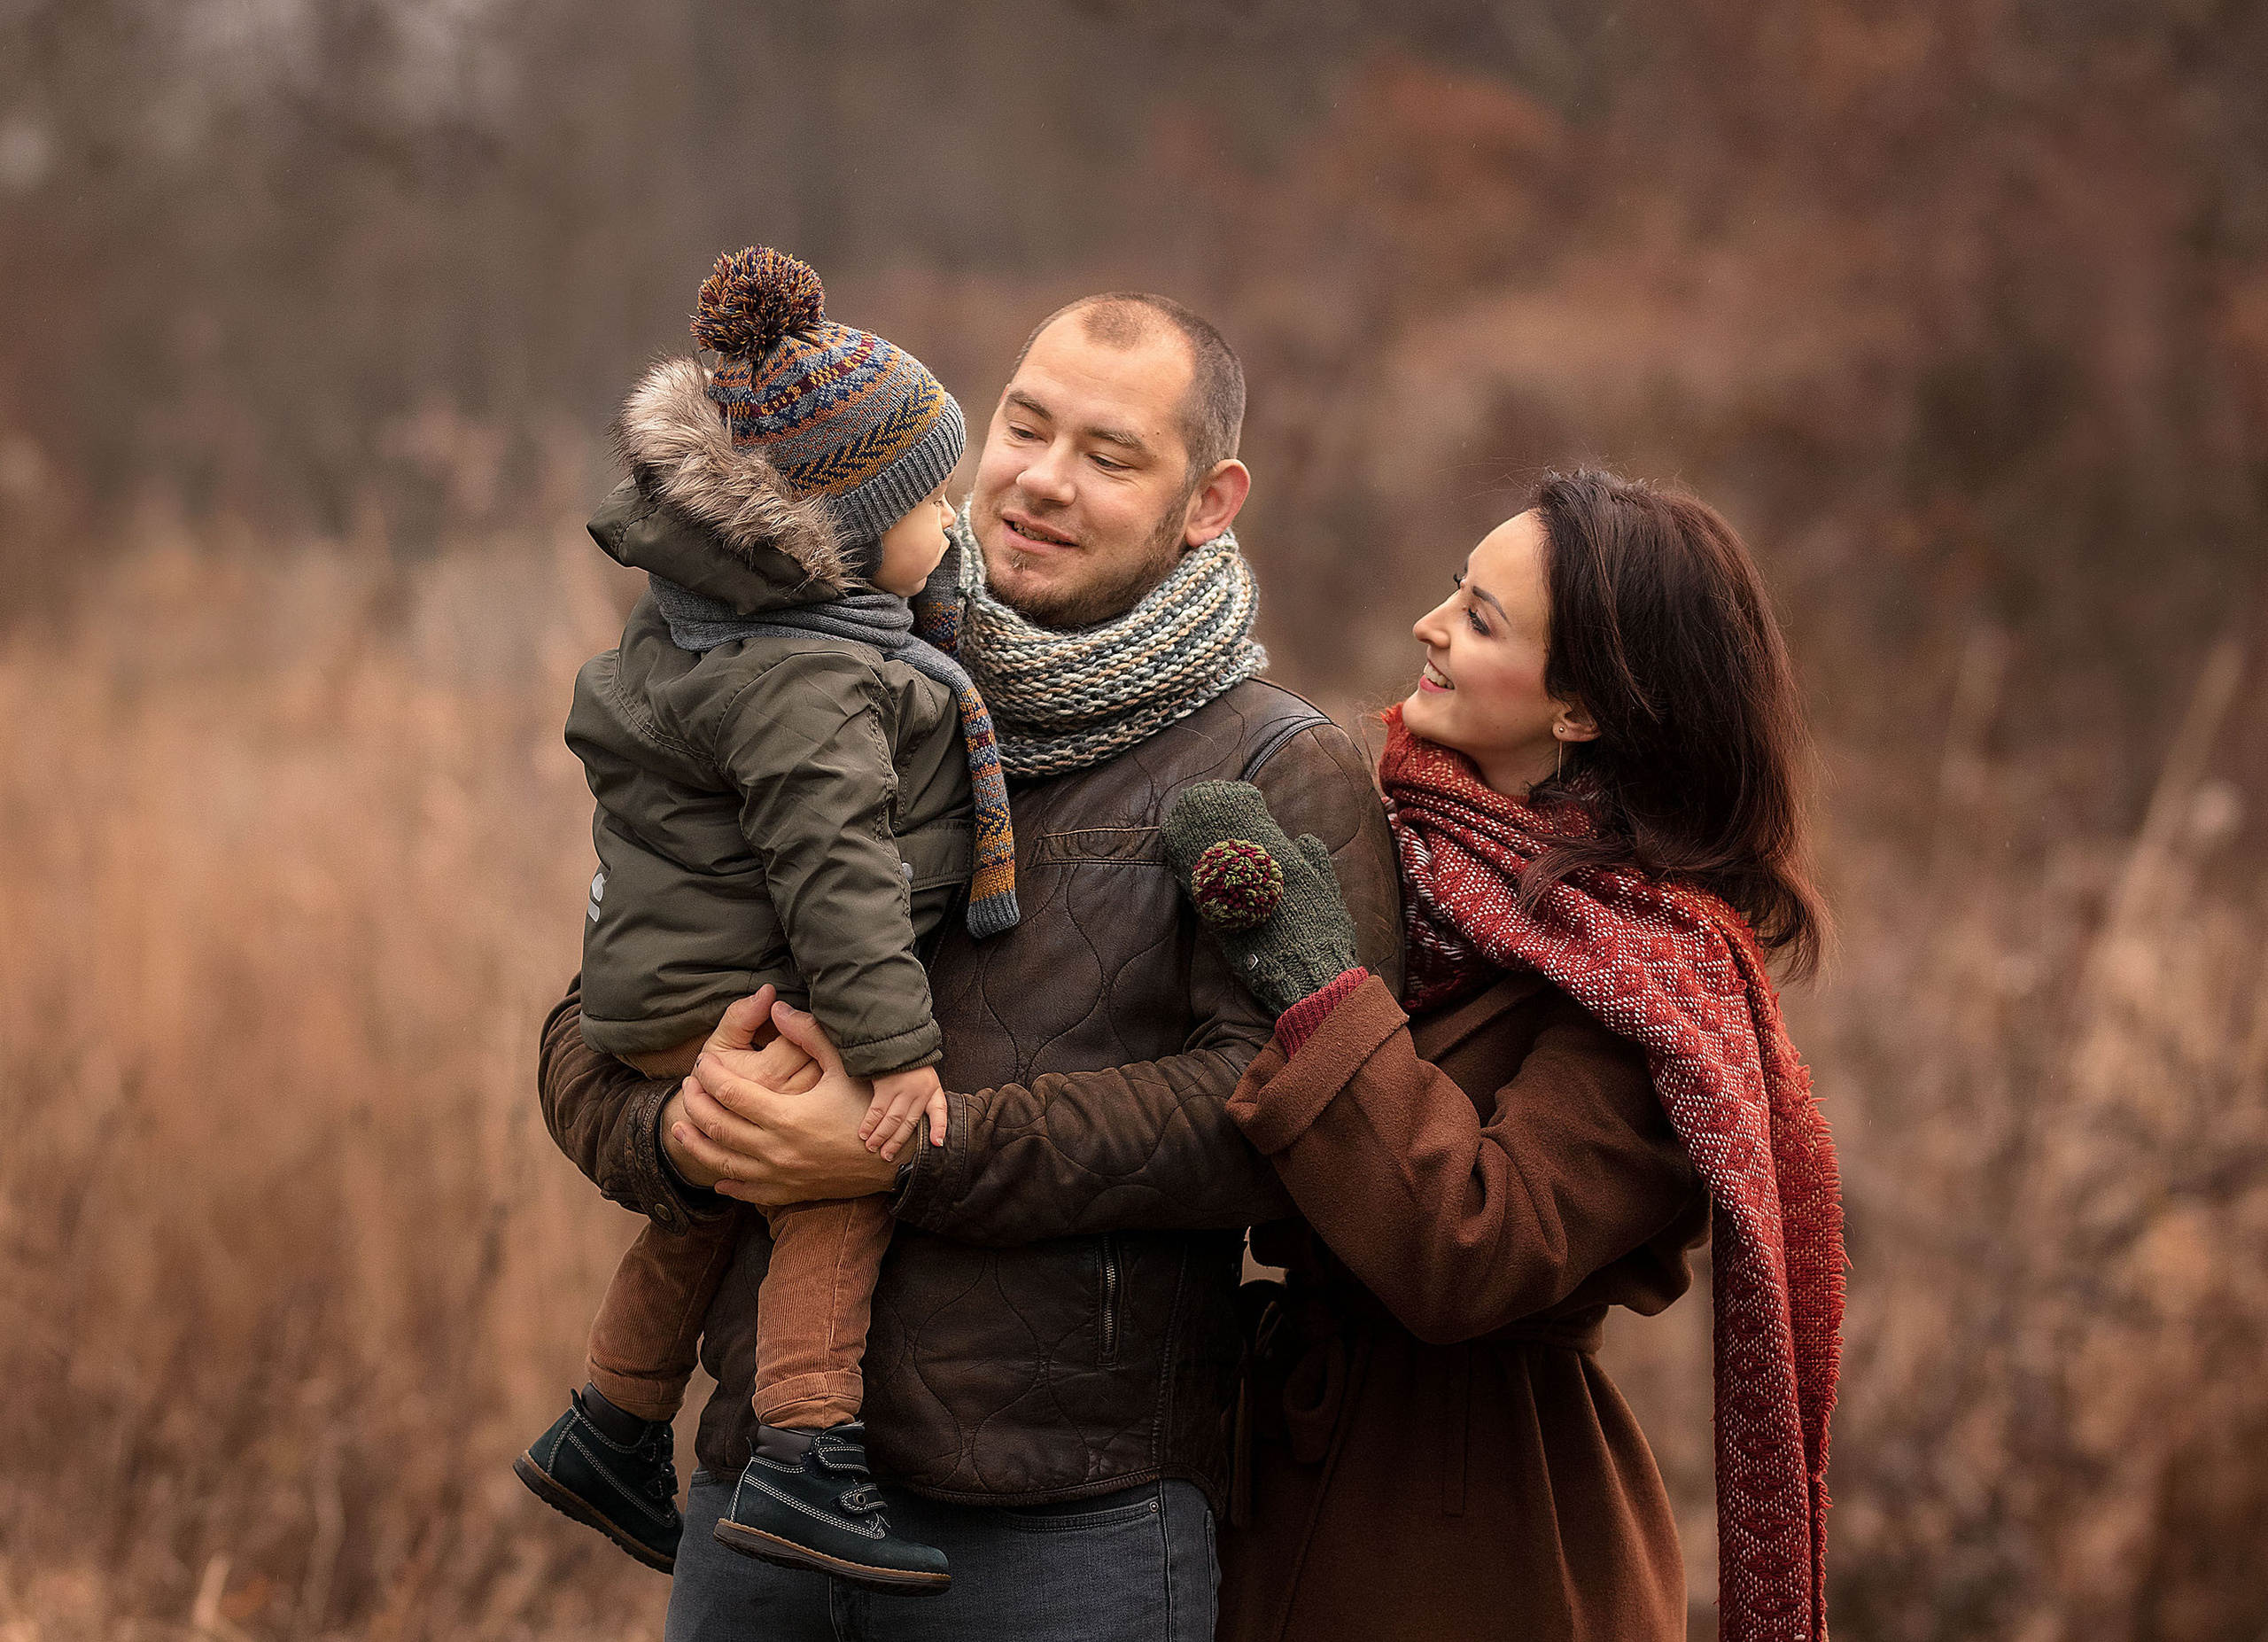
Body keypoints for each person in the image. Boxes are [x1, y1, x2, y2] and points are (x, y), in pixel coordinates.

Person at [536, 290, 1405, 1641]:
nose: (1043, 479)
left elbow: (1272, 1124)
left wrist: (900, 1148)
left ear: (1209, 500)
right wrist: (687, 1126)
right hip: (758, 1503)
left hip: (1070, 1531)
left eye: (1111, 456)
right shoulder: (819, 668)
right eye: (1025, 425)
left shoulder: (1271, 763)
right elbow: (597, 1023)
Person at [1159, 470, 1846, 1642]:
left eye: (1480, 617)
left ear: (1578, 708)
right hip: (1278, 1473)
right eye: (1454, 592)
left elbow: (1472, 1247)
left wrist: (1317, 984)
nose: (1429, 623)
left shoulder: (1654, 986)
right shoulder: (1410, 860)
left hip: (1481, 1543)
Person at [514, 245, 1016, 1593]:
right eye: (936, 499)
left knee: (712, 1192)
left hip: (669, 980)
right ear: (850, 528)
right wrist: (894, 1050)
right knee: (839, 1173)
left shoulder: (717, 624)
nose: (957, 521)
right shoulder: (812, 676)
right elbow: (837, 867)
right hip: (734, 979)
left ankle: (611, 1420)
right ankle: (806, 1450)